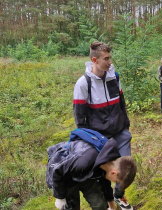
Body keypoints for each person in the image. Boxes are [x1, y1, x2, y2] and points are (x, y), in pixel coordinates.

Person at [73, 41, 133, 209]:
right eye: (106, 58)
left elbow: (122, 103)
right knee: (105, 174)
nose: (110, 62)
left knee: (127, 169)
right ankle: (110, 203)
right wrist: (90, 140)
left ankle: (119, 195)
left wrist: (125, 126)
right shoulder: (83, 84)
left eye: (110, 58)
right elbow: (79, 118)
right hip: (101, 138)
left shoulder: (114, 77)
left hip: (120, 133)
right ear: (95, 60)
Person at [46, 136, 137, 210]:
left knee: (99, 204)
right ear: (114, 173)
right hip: (66, 177)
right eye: (116, 181)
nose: (114, 182)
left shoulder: (107, 162)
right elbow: (57, 171)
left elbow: (105, 184)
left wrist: (111, 207)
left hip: (88, 175)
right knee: (72, 207)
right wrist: (60, 197)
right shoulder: (84, 161)